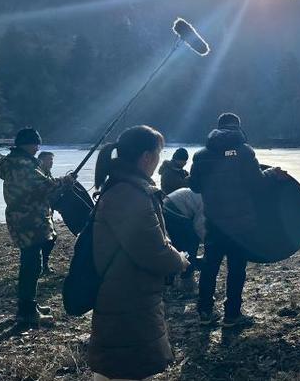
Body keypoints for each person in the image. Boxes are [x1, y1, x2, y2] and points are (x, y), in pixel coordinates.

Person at [89, 125, 189, 381]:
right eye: (158, 153)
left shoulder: (123, 187)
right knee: (127, 367)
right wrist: (180, 260)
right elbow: (153, 251)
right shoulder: (130, 194)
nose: (158, 160)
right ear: (146, 157)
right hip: (129, 294)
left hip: (125, 290)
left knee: (116, 366)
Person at [189, 112, 286, 328]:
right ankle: (231, 315)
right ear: (238, 128)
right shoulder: (243, 152)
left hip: (214, 222)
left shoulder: (201, 155)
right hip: (241, 225)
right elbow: (257, 185)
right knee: (236, 269)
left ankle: (204, 311)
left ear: (218, 128)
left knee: (209, 266)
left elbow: (194, 186)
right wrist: (271, 174)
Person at [0, 128, 74, 327]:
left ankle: (29, 305)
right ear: (28, 144)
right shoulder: (23, 165)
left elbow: (40, 187)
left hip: (25, 219)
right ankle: (27, 312)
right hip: (29, 221)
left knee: (32, 263)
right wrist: (64, 181)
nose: (38, 147)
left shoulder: (15, 162)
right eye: (36, 143)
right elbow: (44, 187)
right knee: (31, 265)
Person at [162, 186, 206, 287]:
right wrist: (208, 243)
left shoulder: (206, 193)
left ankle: (171, 276)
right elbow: (199, 226)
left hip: (169, 204)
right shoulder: (207, 201)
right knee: (190, 243)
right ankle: (186, 279)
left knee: (178, 246)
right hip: (173, 209)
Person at [37, 151, 57, 275]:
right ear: (41, 160)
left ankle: (44, 264)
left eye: (52, 160)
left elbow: (52, 190)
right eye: (49, 159)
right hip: (37, 213)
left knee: (52, 237)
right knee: (44, 239)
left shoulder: (48, 173)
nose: (51, 162)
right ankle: (41, 266)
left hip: (47, 211)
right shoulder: (37, 173)